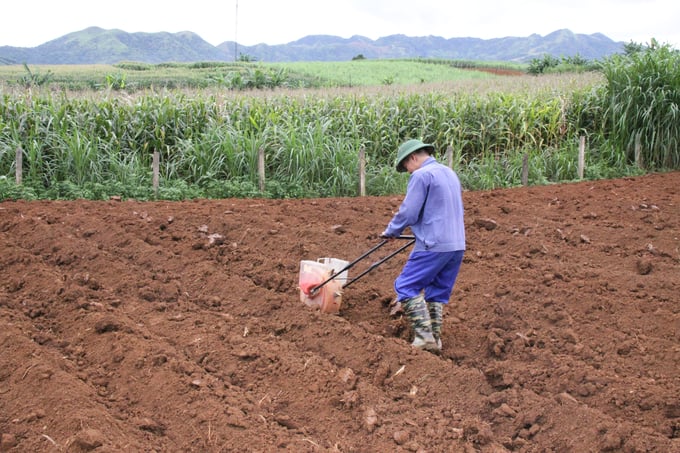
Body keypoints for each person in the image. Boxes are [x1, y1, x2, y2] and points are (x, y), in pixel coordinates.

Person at [381, 139, 466, 353]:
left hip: (433, 243)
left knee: (405, 285)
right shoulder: (449, 173)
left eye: (406, 168)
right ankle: (435, 339)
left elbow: (409, 212)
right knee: (436, 292)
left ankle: (424, 336)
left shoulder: (421, 175)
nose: (408, 172)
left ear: (413, 158)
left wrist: (392, 231)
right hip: (456, 244)